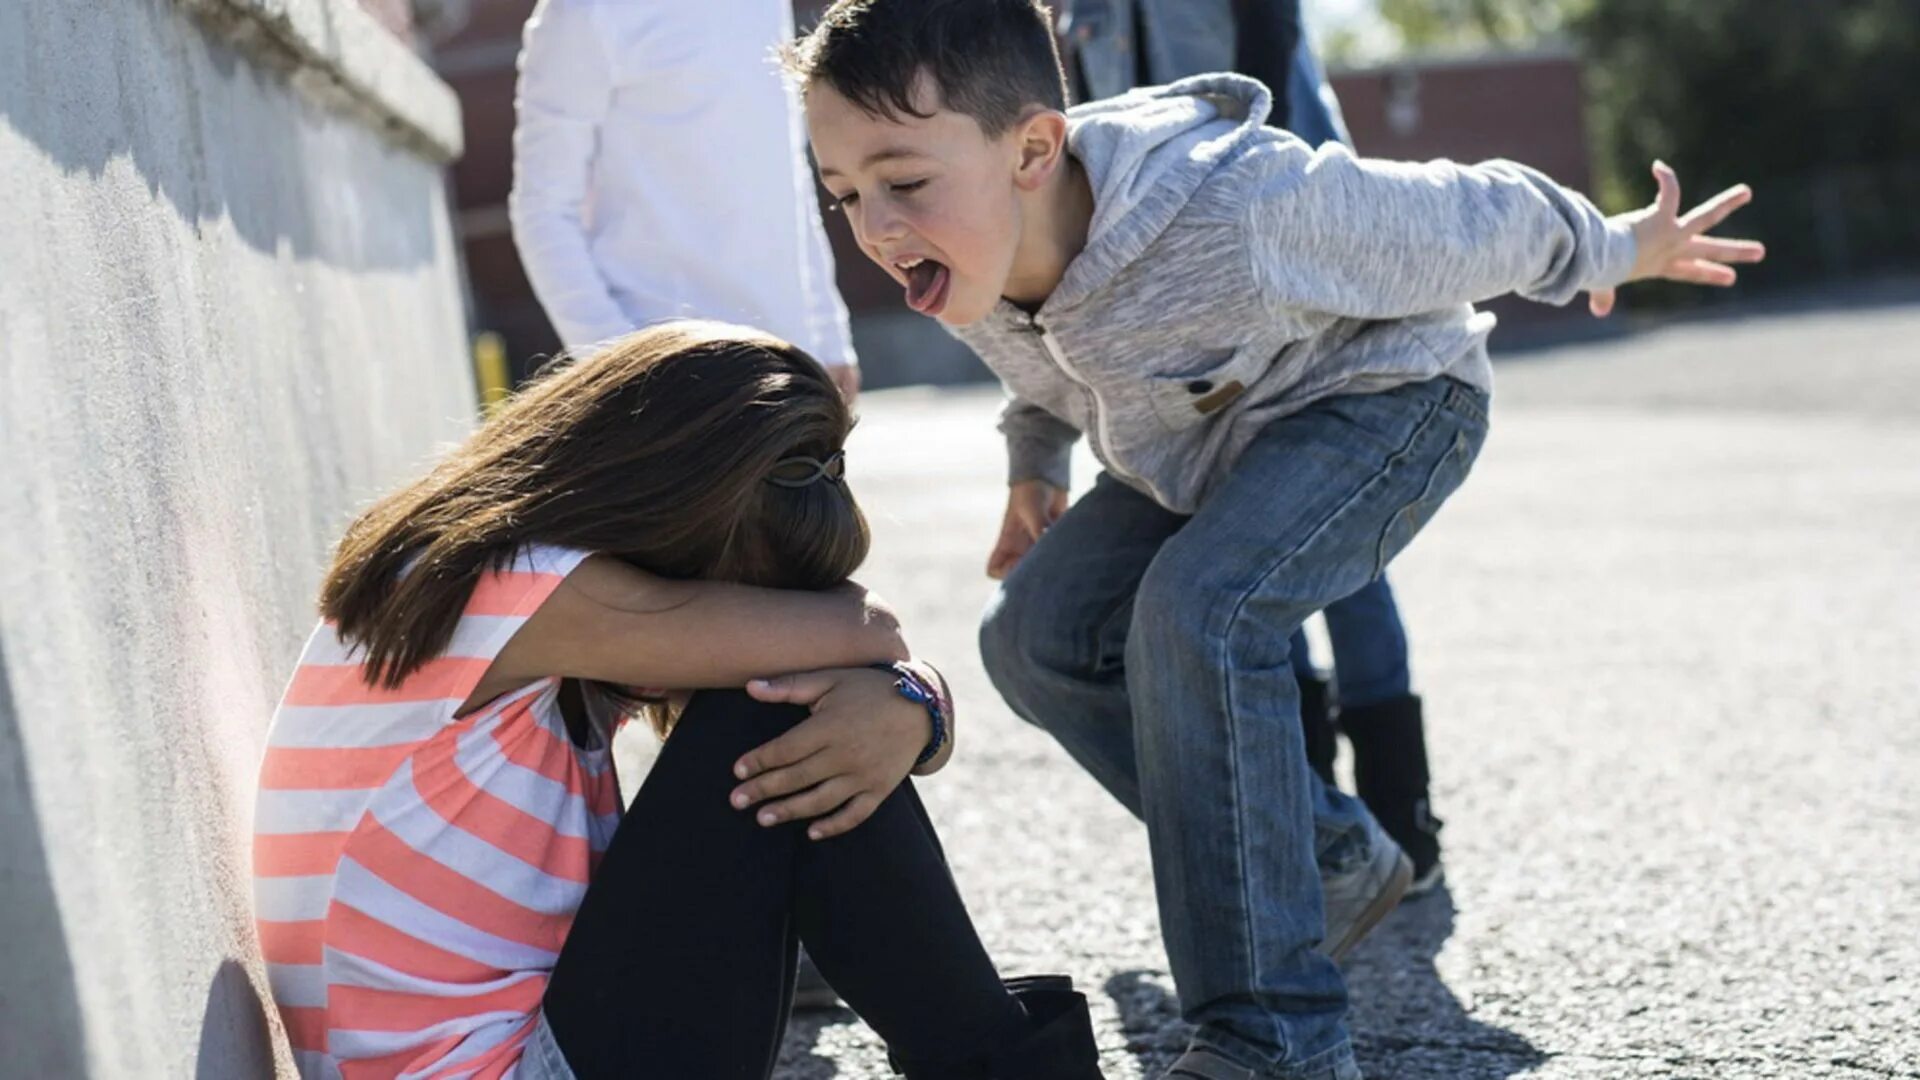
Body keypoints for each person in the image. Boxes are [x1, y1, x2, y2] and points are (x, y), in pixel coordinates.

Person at [784, 2, 1763, 1077]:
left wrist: (1617, 243)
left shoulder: (1238, 205)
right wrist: (1034, 467)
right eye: (844, 195)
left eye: (903, 181)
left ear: (1030, 149)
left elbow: (1471, 213)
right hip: (1201, 446)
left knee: (1199, 612)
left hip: (1386, 404)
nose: (874, 226)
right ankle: (1329, 855)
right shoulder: (967, 251)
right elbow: (1044, 365)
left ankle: (1279, 1036)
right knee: (1032, 635)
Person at [251, 322, 1105, 1079]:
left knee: (797, 715)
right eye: (739, 600)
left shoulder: (493, 588)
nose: (741, 633)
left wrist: (913, 706)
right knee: (774, 712)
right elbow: (869, 631)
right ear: (666, 513)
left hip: (530, 1047)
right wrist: (905, 695)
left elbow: (871, 654)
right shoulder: (509, 587)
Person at [1060, 0, 1448, 895]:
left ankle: (1401, 812)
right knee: (1247, 538)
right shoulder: (1077, 14)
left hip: (1286, 251)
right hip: (1174, 297)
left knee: (1341, 556)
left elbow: (1275, 83)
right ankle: (1320, 825)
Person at [509, 0, 861, 400]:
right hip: (671, 382)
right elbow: (543, 210)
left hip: (789, 362)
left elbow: (787, 178)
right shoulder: (584, 12)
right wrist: (622, 368)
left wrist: (828, 336)